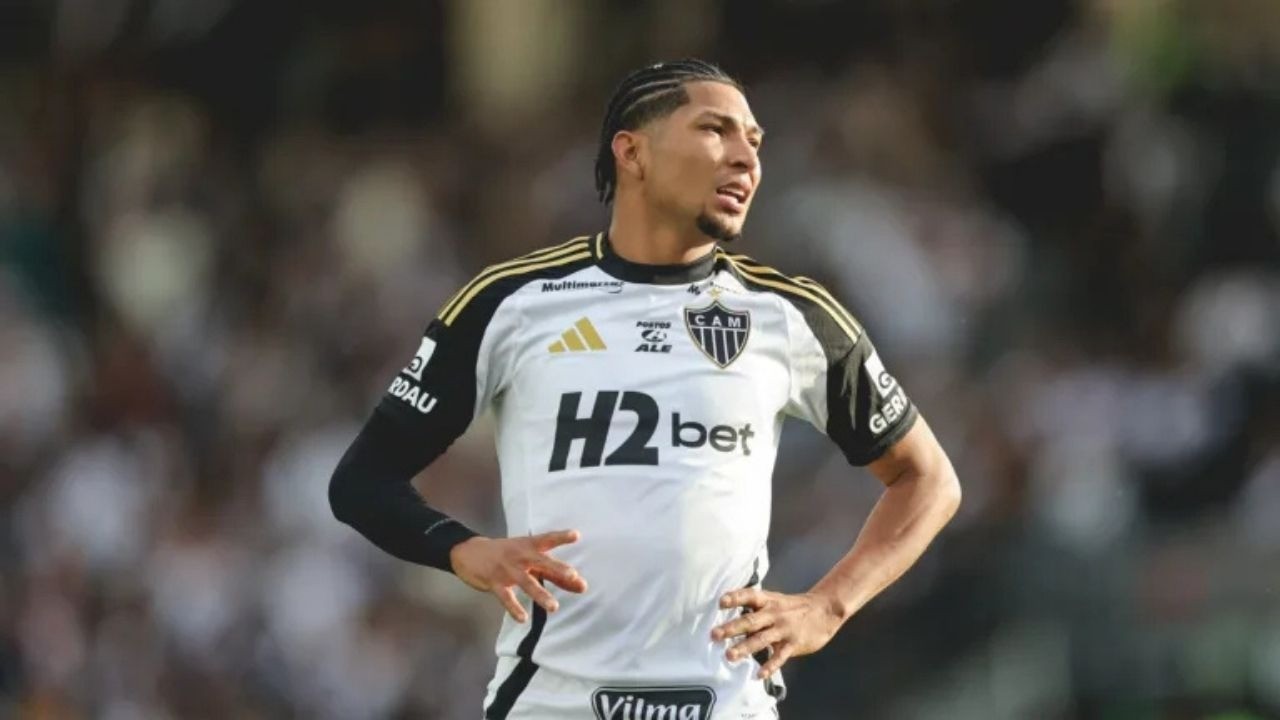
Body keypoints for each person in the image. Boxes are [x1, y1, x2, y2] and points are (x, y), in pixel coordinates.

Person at [329, 58, 961, 720]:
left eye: (755, 141)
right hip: (553, 706)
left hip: (726, 705)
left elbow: (928, 481)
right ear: (631, 152)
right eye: (716, 130)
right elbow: (362, 481)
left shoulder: (788, 316)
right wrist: (462, 549)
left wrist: (828, 605)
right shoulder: (514, 303)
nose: (747, 157)